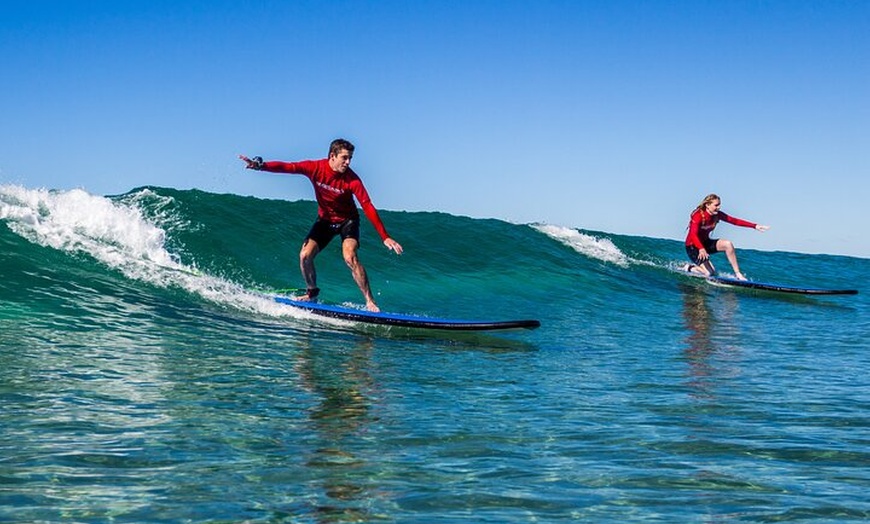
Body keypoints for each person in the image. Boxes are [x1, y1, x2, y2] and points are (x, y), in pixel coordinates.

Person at [240, 138, 403, 312]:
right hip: (325, 221)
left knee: (350, 257)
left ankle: (370, 301)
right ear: (332, 156)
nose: (348, 162)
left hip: (348, 221)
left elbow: (367, 205)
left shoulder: (352, 180)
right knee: (304, 255)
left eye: (350, 159)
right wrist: (260, 166)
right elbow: (289, 167)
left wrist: (384, 236)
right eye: (344, 158)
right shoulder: (315, 168)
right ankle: (312, 292)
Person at [684, 193, 769, 281]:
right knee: (709, 273)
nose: (719, 207)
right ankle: (690, 268)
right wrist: (701, 248)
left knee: (727, 244)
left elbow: (735, 221)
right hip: (693, 246)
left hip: (705, 243)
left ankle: (738, 274)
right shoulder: (698, 215)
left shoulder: (717, 215)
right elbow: (693, 234)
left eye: (719, 204)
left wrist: (755, 226)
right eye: (716, 205)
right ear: (707, 205)